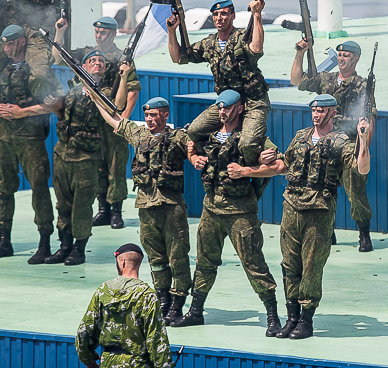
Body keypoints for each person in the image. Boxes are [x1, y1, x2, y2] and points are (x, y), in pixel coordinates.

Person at [232, 94, 371, 340]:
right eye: (314, 111)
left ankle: (306, 320)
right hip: (291, 208)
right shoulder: (300, 136)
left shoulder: (340, 141)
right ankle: (292, 317)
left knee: (311, 267)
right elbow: (283, 165)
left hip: (318, 213)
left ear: (332, 113)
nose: (316, 115)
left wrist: (363, 138)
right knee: (289, 266)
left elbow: (362, 167)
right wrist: (257, 165)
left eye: (321, 111)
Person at [170, 90, 283, 335]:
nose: (223, 111)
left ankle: (272, 316)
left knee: (253, 263)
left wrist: (246, 171)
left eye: (228, 107)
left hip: (240, 210)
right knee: (204, 261)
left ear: (239, 108)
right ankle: (196, 311)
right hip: (211, 207)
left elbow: (279, 166)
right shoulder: (208, 135)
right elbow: (190, 146)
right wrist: (193, 159)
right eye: (220, 107)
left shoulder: (251, 139)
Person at [92, 88, 193, 325]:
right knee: (156, 259)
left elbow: (193, 150)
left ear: (165, 115)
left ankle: (177, 304)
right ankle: (163, 299)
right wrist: (95, 98)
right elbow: (114, 119)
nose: (149, 119)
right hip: (146, 206)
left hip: (172, 207)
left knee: (178, 257)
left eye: (154, 115)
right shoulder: (138, 135)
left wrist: (196, 157)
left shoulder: (179, 137)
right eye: (147, 115)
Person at [0, 24, 59, 262]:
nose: (7, 49)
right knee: (4, 188)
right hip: (5, 137)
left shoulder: (36, 71)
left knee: (39, 188)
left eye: (11, 44)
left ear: (22, 42)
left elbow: (55, 101)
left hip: (30, 138)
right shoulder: (1, 68)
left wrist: (24, 112)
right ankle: (4, 241)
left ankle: (44, 243)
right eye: (4, 44)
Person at [56, 15, 141, 230]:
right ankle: (102, 209)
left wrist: (123, 120)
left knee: (115, 165)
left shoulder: (123, 57)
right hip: (90, 122)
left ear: (113, 33)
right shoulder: (88, 54)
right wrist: (60, 32)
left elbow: (132, 91)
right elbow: (58, 58)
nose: (99, 35)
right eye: (97, 31)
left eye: (103, 32)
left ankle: (116, 212)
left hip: (113, 120)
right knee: (98, 166)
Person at [290, 39, 377, 251]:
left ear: (356, 59)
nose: (341, 58)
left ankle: (364, 234)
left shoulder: (362, 85)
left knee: (355, 192)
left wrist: (363, 147)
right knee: (322, 189)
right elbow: (296, 80)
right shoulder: (325, 79)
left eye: (346, 55)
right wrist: (300, 54)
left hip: (348, 145)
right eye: (339, 55)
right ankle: (328, 232)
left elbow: (369, 118)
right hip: (325, 145)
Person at [168, 0, 270, 166]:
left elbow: (256, 48)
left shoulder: (242, 37)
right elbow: (178, 57)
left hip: (253, 101)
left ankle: (254, 171)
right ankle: (217, 155)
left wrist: (256, 15)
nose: (219, 18)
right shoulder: (209, 43)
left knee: (248, 144)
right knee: (194, 130)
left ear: (233, 16)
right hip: (227, 104)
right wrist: (172, 31)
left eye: (224, 14)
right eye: (215, 14)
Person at [41, 50, 112, 267]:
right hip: (63, 153)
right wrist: (53, 105)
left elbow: (113, 109)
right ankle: (64, 246)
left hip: (86, 157)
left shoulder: (104, 91)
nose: (97, 63)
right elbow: (61, 113)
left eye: (101, 61)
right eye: (92, 61)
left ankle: (79, 248)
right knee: (63, 203)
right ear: (83, 67)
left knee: (82, 205)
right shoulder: (72, 89)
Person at [75, 243, 174, 368]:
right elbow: (156, 339)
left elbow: (84, 331)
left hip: (108, 365)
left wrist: (88, 359)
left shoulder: (103, 291)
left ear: (121, 262)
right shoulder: (147, 295)